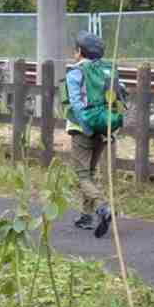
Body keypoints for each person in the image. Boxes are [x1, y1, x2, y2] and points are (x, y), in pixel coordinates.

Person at [63, 31, 119, 238]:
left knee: (82, 175)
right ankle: (85, 216)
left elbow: (76, 104)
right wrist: (108, 126)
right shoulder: (108, 70)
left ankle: (102, 206)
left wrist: (86, 126)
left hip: (82, 130)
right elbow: (119, 97)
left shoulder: (76, 72)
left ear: (79, 51)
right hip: (104, 127)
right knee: (91, 172)